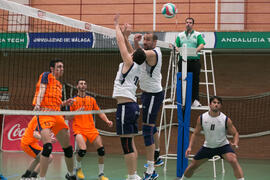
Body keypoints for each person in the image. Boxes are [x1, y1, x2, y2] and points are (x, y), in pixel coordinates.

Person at [113, 14, 146, 180]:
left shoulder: (129, 62)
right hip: (131, 106)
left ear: (133, 56)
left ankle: (132, 175)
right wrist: (129, 37)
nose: (130, 53)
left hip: (126, 107)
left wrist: (116, 25)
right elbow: (132, 51)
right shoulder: (138, 66)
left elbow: (120, 44)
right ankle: (134, 175)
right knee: (130, 142)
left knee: (126, 144)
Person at [181, 96, 245, 180]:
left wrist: (235, 144)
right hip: (208, 147)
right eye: (214, 102)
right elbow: (195, 134)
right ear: (210, 105)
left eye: (218, 103)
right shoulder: (202, 118)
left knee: (233, 160)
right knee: (193, 166)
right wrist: (189, 147)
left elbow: (235, 133)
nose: (216, 105)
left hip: (223, 146)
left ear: (220, 106)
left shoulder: (225, 119)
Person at [32, 59, 76, 180]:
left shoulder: (59, 84)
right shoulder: (46, 75)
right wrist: (37, 105)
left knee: (68, 148)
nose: (62, 69)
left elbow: (55, 102)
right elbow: (42, 89)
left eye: (62, 67)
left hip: (57, 114)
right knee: (48, 147)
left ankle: (71, 175)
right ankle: (42, 178)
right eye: (59, 67)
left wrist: (64, 103)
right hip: (45, 113)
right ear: (52, 68)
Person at [133, 32, 164, 180]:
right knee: (152, 127)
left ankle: (151, 171)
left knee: (146, 130)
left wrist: (130, 40)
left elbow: (136, 56)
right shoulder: (146, 52)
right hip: (146, 94)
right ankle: (157, 155)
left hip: (153, 95)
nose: (145, 42)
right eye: (144, 39)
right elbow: (138, 54)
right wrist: (135, 42)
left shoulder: (152, 54)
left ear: (155, 42)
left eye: (148, 40)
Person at [69, 79, 113, 180]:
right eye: (81, 83)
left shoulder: (91, 99)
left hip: (91, 129)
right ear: (77, 86)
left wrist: (107, 121)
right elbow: (68, 117)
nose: (83, 85)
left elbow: (99, 112)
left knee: (101, 150)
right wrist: (76, 112)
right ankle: (78, 168)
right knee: (83, 150)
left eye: (85, 84)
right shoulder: (73, 101)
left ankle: (101, 174)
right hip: (79, 129)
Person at [175, 17, 205, 107]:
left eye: (190, 22)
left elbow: (202, 44)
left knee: (195, 81)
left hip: (194, 61)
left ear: (193, 24)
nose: (188, 24)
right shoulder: (180, 35)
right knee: (182, 80)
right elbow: (176, 45)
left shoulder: (197, 34)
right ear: (185, 24)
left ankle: (195, 100)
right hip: (183, 61)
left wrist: (195, 50)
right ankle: (181, 100)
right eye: (187, 22)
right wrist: (178, 50)